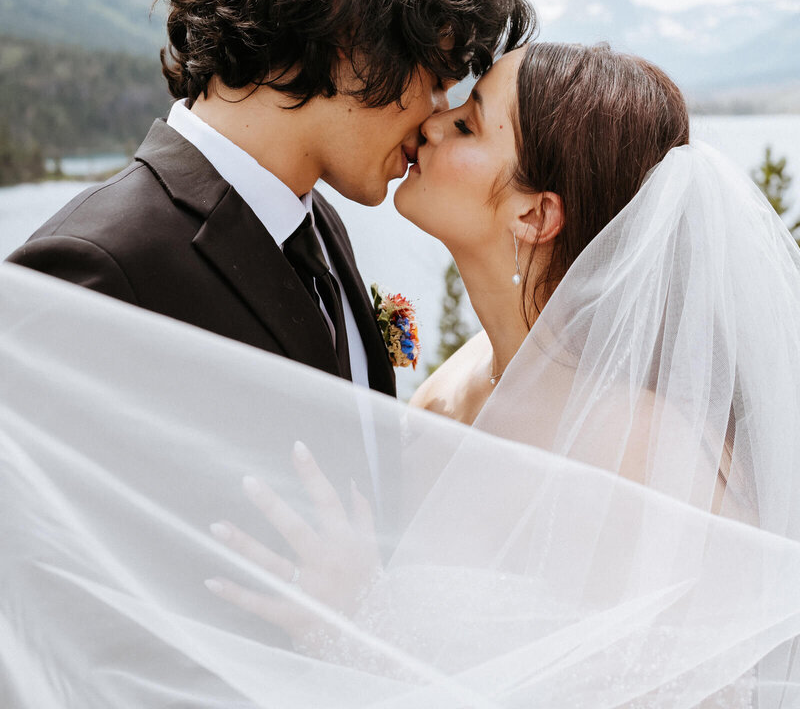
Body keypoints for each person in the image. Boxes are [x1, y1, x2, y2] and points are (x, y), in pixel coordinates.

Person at [1, 40, 799, 705]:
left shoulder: (641, 447)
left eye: (469, 123)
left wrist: (357, 626)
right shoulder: (446, 396)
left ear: (533, 213)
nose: (429, 122)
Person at [5, 0, 532, 396]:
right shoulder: (95, 266)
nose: (437, 116)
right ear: (349, 32)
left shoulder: (321, 230)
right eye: (438, 79)